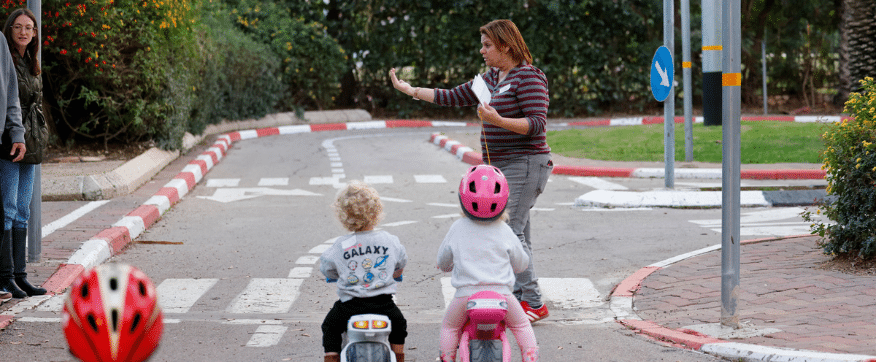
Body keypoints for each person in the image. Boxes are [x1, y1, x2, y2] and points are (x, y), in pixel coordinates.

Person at [390, 19, 553, 322]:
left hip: (526, 163)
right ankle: (522, 297)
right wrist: (410, 90)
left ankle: (533, 302)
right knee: (520, 233)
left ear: (506, 45)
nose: (482, 50)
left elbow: (537, 124)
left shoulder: (528, 78)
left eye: (488, 45)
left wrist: (498, 120)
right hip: (499, 167)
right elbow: (452, 96)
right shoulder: (491, 78)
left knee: (511, 232)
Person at [437, 165, 539, 362]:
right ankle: (530, 355)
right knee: (521, 326)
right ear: (504, 201)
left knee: (449, 327)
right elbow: (521, 262)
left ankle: (447, 357)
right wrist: (518, 267)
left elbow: (443, 261)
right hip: (502, 296)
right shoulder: (505, 230)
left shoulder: (457, 228)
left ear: (463, 198)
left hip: (465, 296)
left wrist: (446, 266)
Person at [320, 180, 408, 362]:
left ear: (343, 216)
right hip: (384, 305)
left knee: (330, 326)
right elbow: (400, 263)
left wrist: (335, 275)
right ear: (376, 211)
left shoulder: (341, 245)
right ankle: (399, 356)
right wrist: (395, 274)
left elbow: (327, 268)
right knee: (399, 325)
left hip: (349, 307)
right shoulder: (389, 240)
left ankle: (331, 357)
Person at [0, 8, 30, 299]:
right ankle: (7, 277)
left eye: (29, 28)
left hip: (26, 143)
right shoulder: (7, 54)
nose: (23, 32)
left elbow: (16, 101)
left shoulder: (32, 62)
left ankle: (17, 276)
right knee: (7, 210)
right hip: (7, 143)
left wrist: (25, 137)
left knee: (22, 210)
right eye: (18, 27)